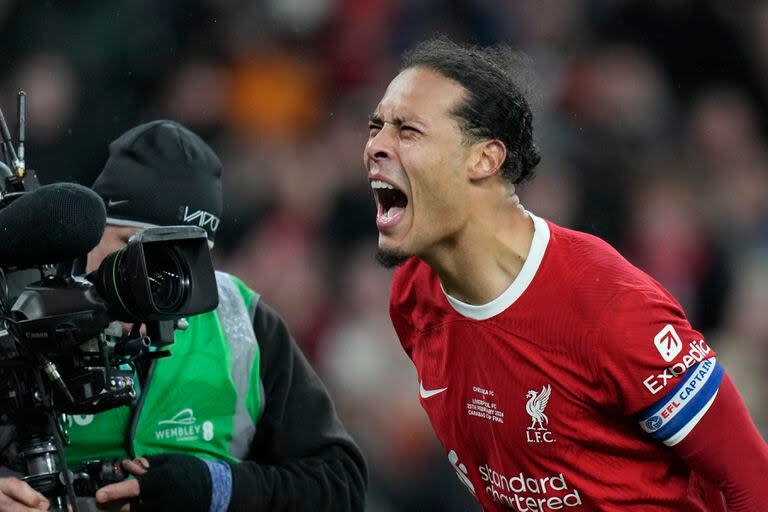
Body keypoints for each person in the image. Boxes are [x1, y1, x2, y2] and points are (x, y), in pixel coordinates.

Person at [364, 37, 768, 511]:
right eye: (376, 127)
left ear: (484, 159)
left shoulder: (609, 306)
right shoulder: (414, 299)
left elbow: (753, 482)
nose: (375, 146)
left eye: (408, 131)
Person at [0, 120, 367, 511]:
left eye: (176, 263)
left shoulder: (243, 322)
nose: (147, 281)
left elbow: (340, 485)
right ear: (92, 230)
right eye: (129, 246)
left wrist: (214, 487)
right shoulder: (24, 313)